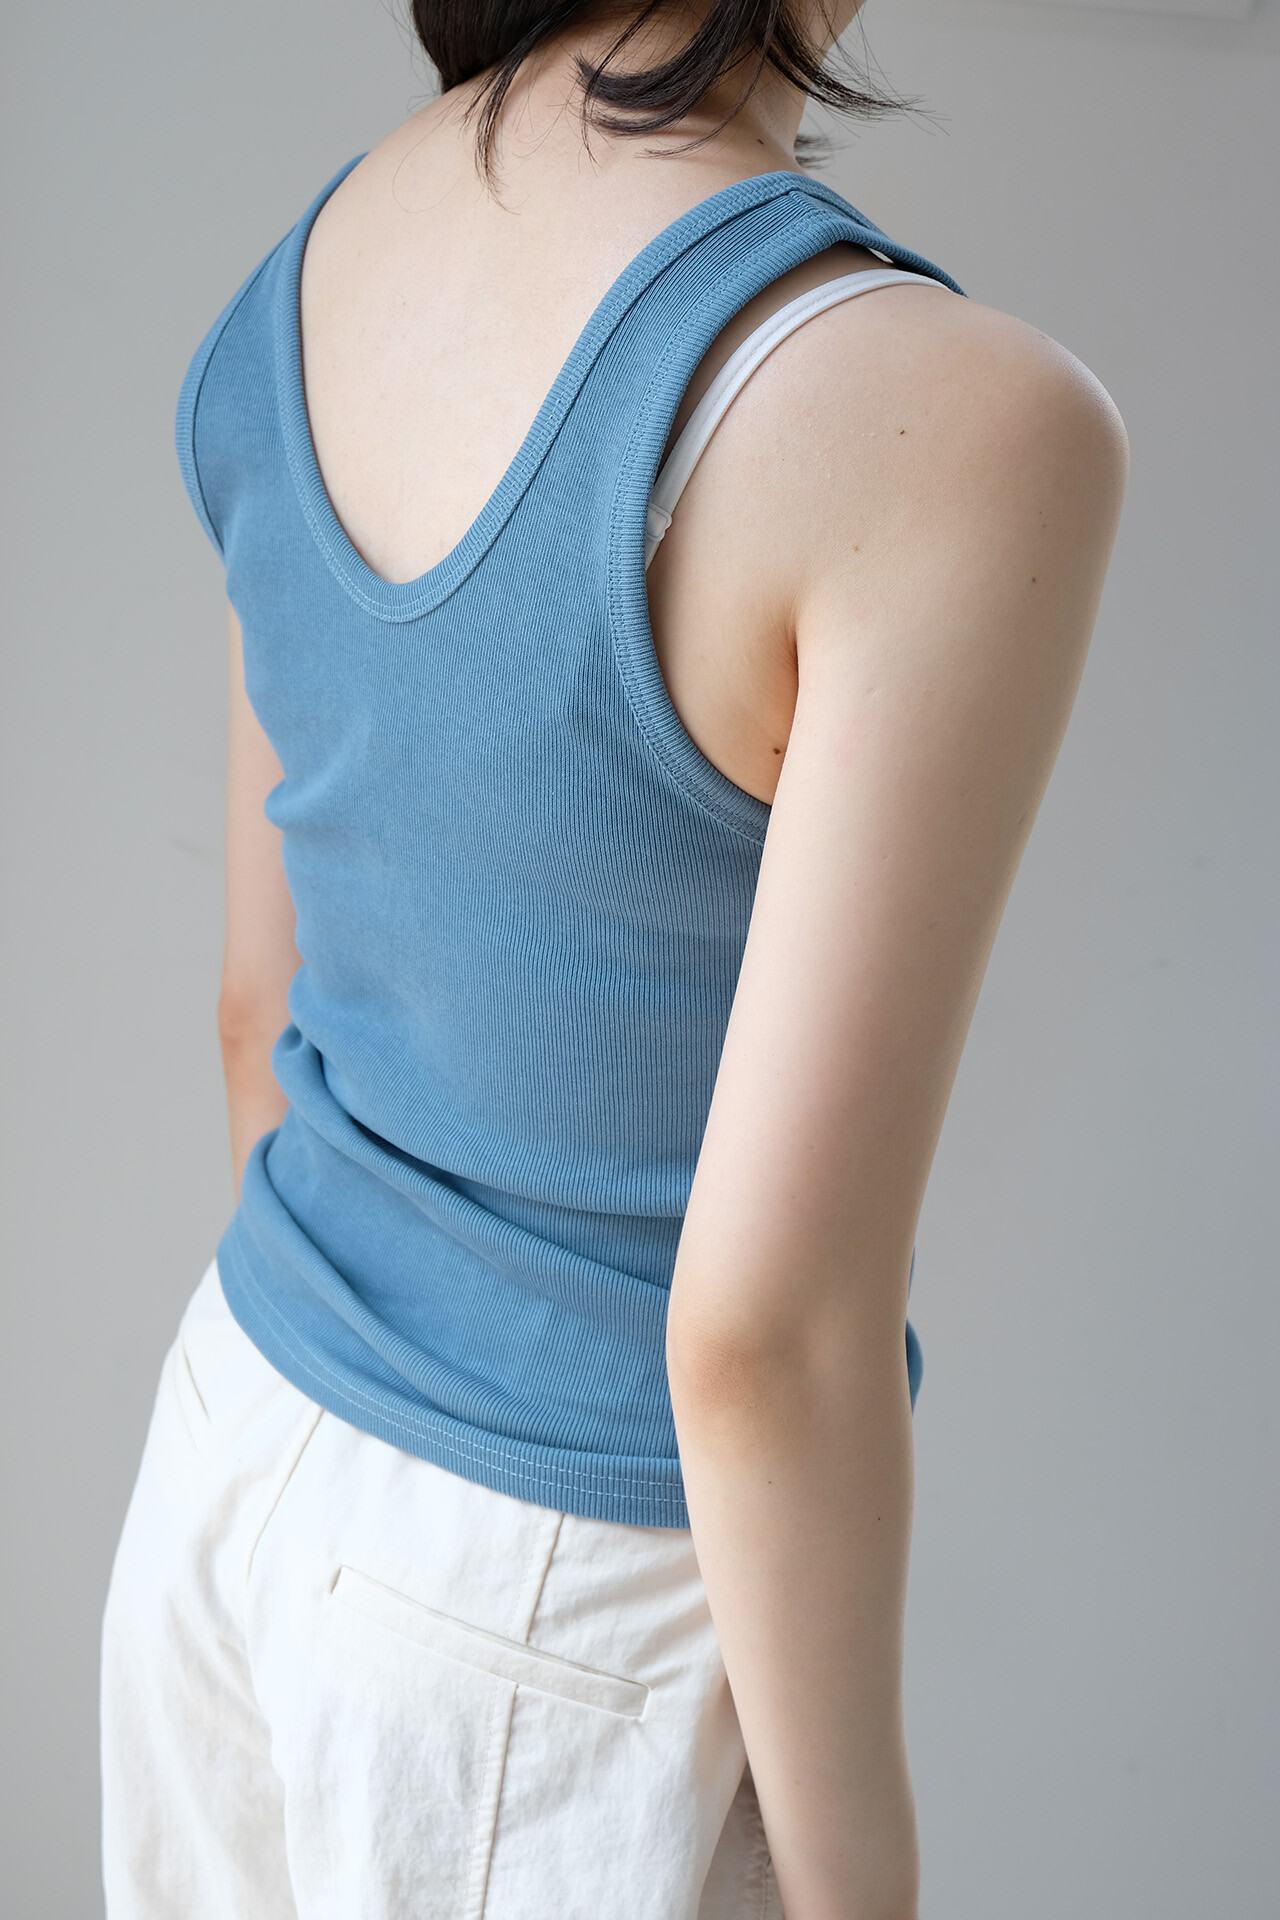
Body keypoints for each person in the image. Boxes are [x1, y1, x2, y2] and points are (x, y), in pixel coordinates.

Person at [100, 2, 1128, 1914]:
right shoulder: (953, 420)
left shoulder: (317, 259)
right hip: (545, 1631)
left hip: (233, 1441)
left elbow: (257, 1017)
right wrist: (858, 1884)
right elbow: (763, 1332)